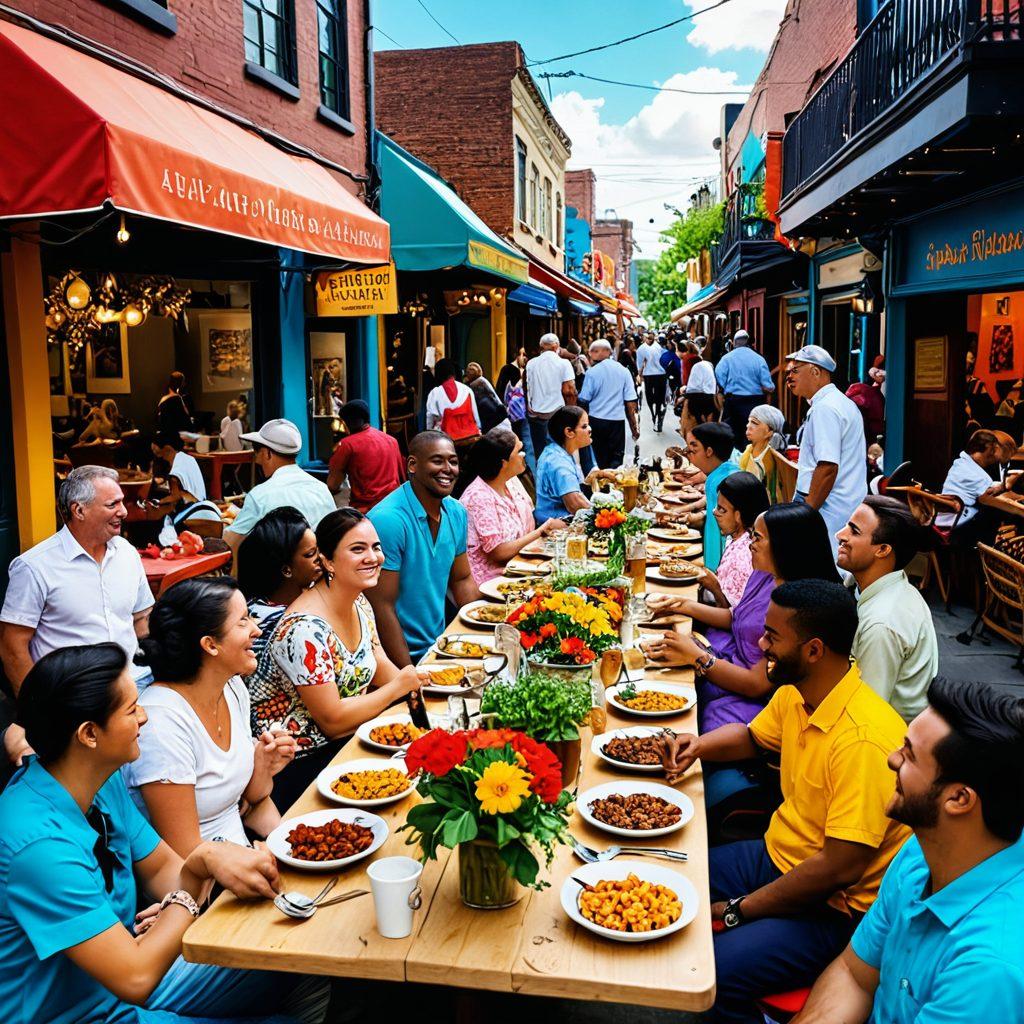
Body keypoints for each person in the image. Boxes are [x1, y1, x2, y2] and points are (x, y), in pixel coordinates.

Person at [0, 643, 327, 1024]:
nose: (144, 717)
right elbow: (136, 976)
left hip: (131, 970)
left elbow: (161, 871)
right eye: (131, 709)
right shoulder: (38, 846)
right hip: (90, 1010)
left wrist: (192, 888)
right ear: (89, 734)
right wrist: (190, 888)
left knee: (301, 944)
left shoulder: (99, 781)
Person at [662, 581, 911, 1024]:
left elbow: (837, 868)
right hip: (777, 855)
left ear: (814, 650)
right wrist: (696, 746)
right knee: (667, 879)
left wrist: (740, 909)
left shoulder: (863, 741)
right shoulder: (798, 691)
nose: (761, 645)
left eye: (772, 636)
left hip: (834, 908)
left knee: (713, 974)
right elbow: (752, 737)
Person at [795, 678, 1024, 1024]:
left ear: (959, 799)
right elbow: (854, 974)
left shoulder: (988, 970)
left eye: (908, 754)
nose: (891, 758)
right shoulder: (923, 847)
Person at [246, 509, 425, 809]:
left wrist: (417, 685)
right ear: (328, 561)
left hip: (349, 743)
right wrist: (399, 688)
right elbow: (332, 720)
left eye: (376, 547)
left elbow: (377, 662)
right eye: (358, 549)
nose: (373, 557)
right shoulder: (303, 630)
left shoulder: (359, 601)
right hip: (302, 766)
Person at [125, 579, 295, 855]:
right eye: (243, 621)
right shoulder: (161, 725)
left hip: (246, 852)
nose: (257, 629)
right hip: (207, 875)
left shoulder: (232, 687)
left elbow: (251, 799)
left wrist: (263, 762)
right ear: (210, 645)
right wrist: (265, 856)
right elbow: (186, 855)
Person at [1, 466, 154, 767]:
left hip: (135, 687)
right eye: (112, 504)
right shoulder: (35, 567)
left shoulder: (126, 553)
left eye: (122, 502)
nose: (123, 511)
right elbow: (12, 646)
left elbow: (142, 619)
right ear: (79, 510)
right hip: (73, 700)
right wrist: (37, 711)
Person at [647, 500, 840, 736]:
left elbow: (756, 684)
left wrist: (699, 657)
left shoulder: (798, 605)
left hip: (752, 700)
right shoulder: (764, 574)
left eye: (757, 538)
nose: (750, 544)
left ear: (784, 546)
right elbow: (736, 618)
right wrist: (682, 605)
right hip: (726, 664)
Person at [366, 431, 481, 666]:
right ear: (412, 465)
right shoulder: (388, 520)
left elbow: (461, 579)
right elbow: (381, 606)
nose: (448, 469)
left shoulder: (456, 512)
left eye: (453, 461)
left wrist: (484, 631)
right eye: (437, 461)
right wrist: (408, 673)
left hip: (440, 647)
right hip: (396, 658)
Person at [836, 497, 939, 722]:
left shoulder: (882, 624)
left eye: (854, 531)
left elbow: (865, 713)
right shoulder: (868, 584)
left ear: (883, 550)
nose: (840, 535)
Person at [786, 344, 867, 555]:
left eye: (795, 370)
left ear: (815, 372)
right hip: (842, 503)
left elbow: (827, 466)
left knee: (824, 565)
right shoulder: (839, 402)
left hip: (829, 507)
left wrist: (808, 513)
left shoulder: (825, 408)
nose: (789, 376)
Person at [224, 419, 337, 563]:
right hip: (321, 569)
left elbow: (232, 541)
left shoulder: (260, 495)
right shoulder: (321, 489)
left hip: (279, 573)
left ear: (267, 454)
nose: (257, 460)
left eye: (257, 453)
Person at [459, 433, 564, 583]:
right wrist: (543, 530)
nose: (524, 454)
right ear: (503, 463)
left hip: (520, 565)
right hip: (492, 580)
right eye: (519, 451)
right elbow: (499, 553)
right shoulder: (478, 497)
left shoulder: (511, 482)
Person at [235, 506, 322, 665]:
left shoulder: (310, 594)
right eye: (310, 554)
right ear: (287, 570)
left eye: (319, 550)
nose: (320, 558)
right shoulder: (272, 624)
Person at [663, 422, 739, 572]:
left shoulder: (727, 480)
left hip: (723, 562)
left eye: (694, 448)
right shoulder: (716, 475)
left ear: (709, 451)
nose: (690, 454)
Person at [534, 406, 616, 525]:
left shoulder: (554, 451)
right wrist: (610, 516)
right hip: (557, 525)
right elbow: (575, 505)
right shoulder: (560, 464)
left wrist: (599, 474)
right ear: (569, 432)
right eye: (584, 426)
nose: (589, 429)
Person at [326, 399, 406, 512]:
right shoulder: (391, 440)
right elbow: (402, 478)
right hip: (395, 506)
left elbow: (333, 485)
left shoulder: (347, 444)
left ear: (347, 422)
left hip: (366, 510)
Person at [936, 428, 1007, 546]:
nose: (992, 457)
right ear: (986, 449)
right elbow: (991, 494)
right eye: (992, 451)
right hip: (955, 529)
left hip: (944, 522)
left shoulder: (960, 463)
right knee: (996, 513)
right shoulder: (977, 475)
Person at [577, 338, 639, 469]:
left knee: (599, 457)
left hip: (596, 421)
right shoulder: (623, 371)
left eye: (591, 352)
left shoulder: (592, 373)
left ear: (598, 352)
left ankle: (602, 480)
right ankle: (614, 479)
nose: (589, 355)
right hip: (617, 422)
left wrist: (581, 424)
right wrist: (634, 427)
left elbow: (583, 400)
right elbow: (630, 402)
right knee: (617, 458)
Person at [715, 329, 775, 443]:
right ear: (748, 342)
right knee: (752, 437)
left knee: (732, 437)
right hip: (755, 403)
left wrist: (727, 386)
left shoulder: (727, 358)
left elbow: (719, 377)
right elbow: (769, 386)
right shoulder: (759, 359)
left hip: (733, 402)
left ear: (734, 343)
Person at [150, 430, 221, 525]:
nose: (153, 449)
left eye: (156, 447)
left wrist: (159, 502)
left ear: (167, 448)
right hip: (202, 505)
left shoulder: (175, 472)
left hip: (193, 513)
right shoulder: (189, 459)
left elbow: (176, 497)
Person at [525, 334, 576, 459]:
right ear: (556, 346)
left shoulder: (531, 363)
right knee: (559, 452)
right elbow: (569, 391)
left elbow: (527, 387)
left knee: (540, 453)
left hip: (536, 414)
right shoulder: (564, 363)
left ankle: (541, 471)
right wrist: (572, 414)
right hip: (557, 414)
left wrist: (528, 406)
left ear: (541, 347)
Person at [739, 404, 787, 503]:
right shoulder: (748, 452)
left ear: (769, 432)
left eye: (754, 422)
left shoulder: (772, 460)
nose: (748, 426)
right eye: (749, 421)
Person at [425, 359, 482, 443]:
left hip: (445, 440)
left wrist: (429, 438)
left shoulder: (435, 392)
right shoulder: (467, 389)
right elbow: (475, 418)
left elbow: (430, 418)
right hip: (470, 437)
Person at [681, 339, 720, 431]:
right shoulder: (708, 364)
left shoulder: (691, 360)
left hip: (697, 395)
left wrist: (685, 392)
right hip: (710, 395)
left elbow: (691, 384)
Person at [463, 362, 511, 435]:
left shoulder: (475, 384)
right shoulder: (483, 381)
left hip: (491, 420)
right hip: (497, 417)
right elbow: (494, 396)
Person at [635, 332, 668, 431]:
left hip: (649, 375)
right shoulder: (660, 347)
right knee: (659, 397)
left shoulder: (641, 348)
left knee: (650, 396)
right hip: (660, 374)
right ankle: (657, 415)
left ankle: (654, 415)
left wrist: (639, 374)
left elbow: (639, 364)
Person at [156, 371, 193, 436]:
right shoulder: (177, 398)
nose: (184, 384)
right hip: (174, 435)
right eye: (183, 382)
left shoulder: (162, 399)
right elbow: (186, 420)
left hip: (164, 434)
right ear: (180, 384)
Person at [659, 338, 683, 407]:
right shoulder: (667, 354)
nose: (667, 345)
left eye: (669, 343)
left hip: (676, 378)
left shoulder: (670, 354)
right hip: (675, 378)